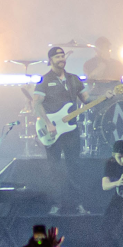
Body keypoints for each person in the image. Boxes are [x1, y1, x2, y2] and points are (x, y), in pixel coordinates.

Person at [33, 45, 88, 215]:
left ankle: (77, 204)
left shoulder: (74, 79)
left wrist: (104, 96)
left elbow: (86, 99)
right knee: (54, 168)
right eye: (57, 56)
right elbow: (36, 103)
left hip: (71, 129)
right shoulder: (43, 80)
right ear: (50, 60)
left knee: (75, 166)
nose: (61, 58)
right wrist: (48, 123)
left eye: (63, 56)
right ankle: (56, 204)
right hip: (52, 130)